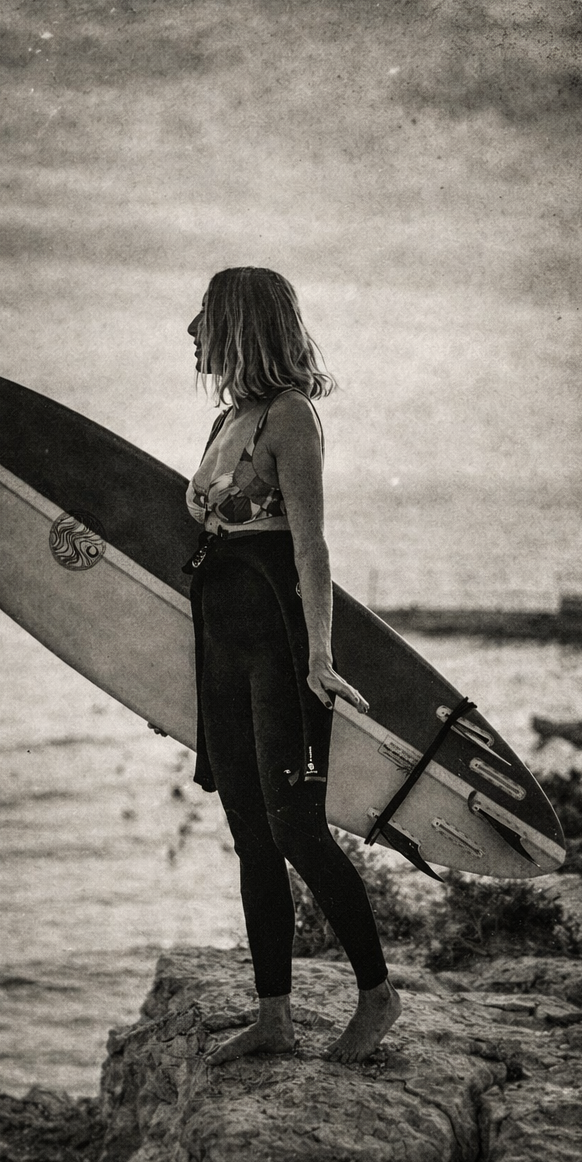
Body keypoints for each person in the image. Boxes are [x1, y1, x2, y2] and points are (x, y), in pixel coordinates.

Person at [183, 267, 401, 1065]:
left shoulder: (290, 418)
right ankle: (273, 1017)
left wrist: (319, 655)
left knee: (297, 831)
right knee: (248, 833)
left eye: (204, 317)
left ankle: (378, 996)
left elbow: (310, 544)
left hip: (276, 645)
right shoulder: (227, 420)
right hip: (221, 650)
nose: (191, 332)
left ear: (240, 324)